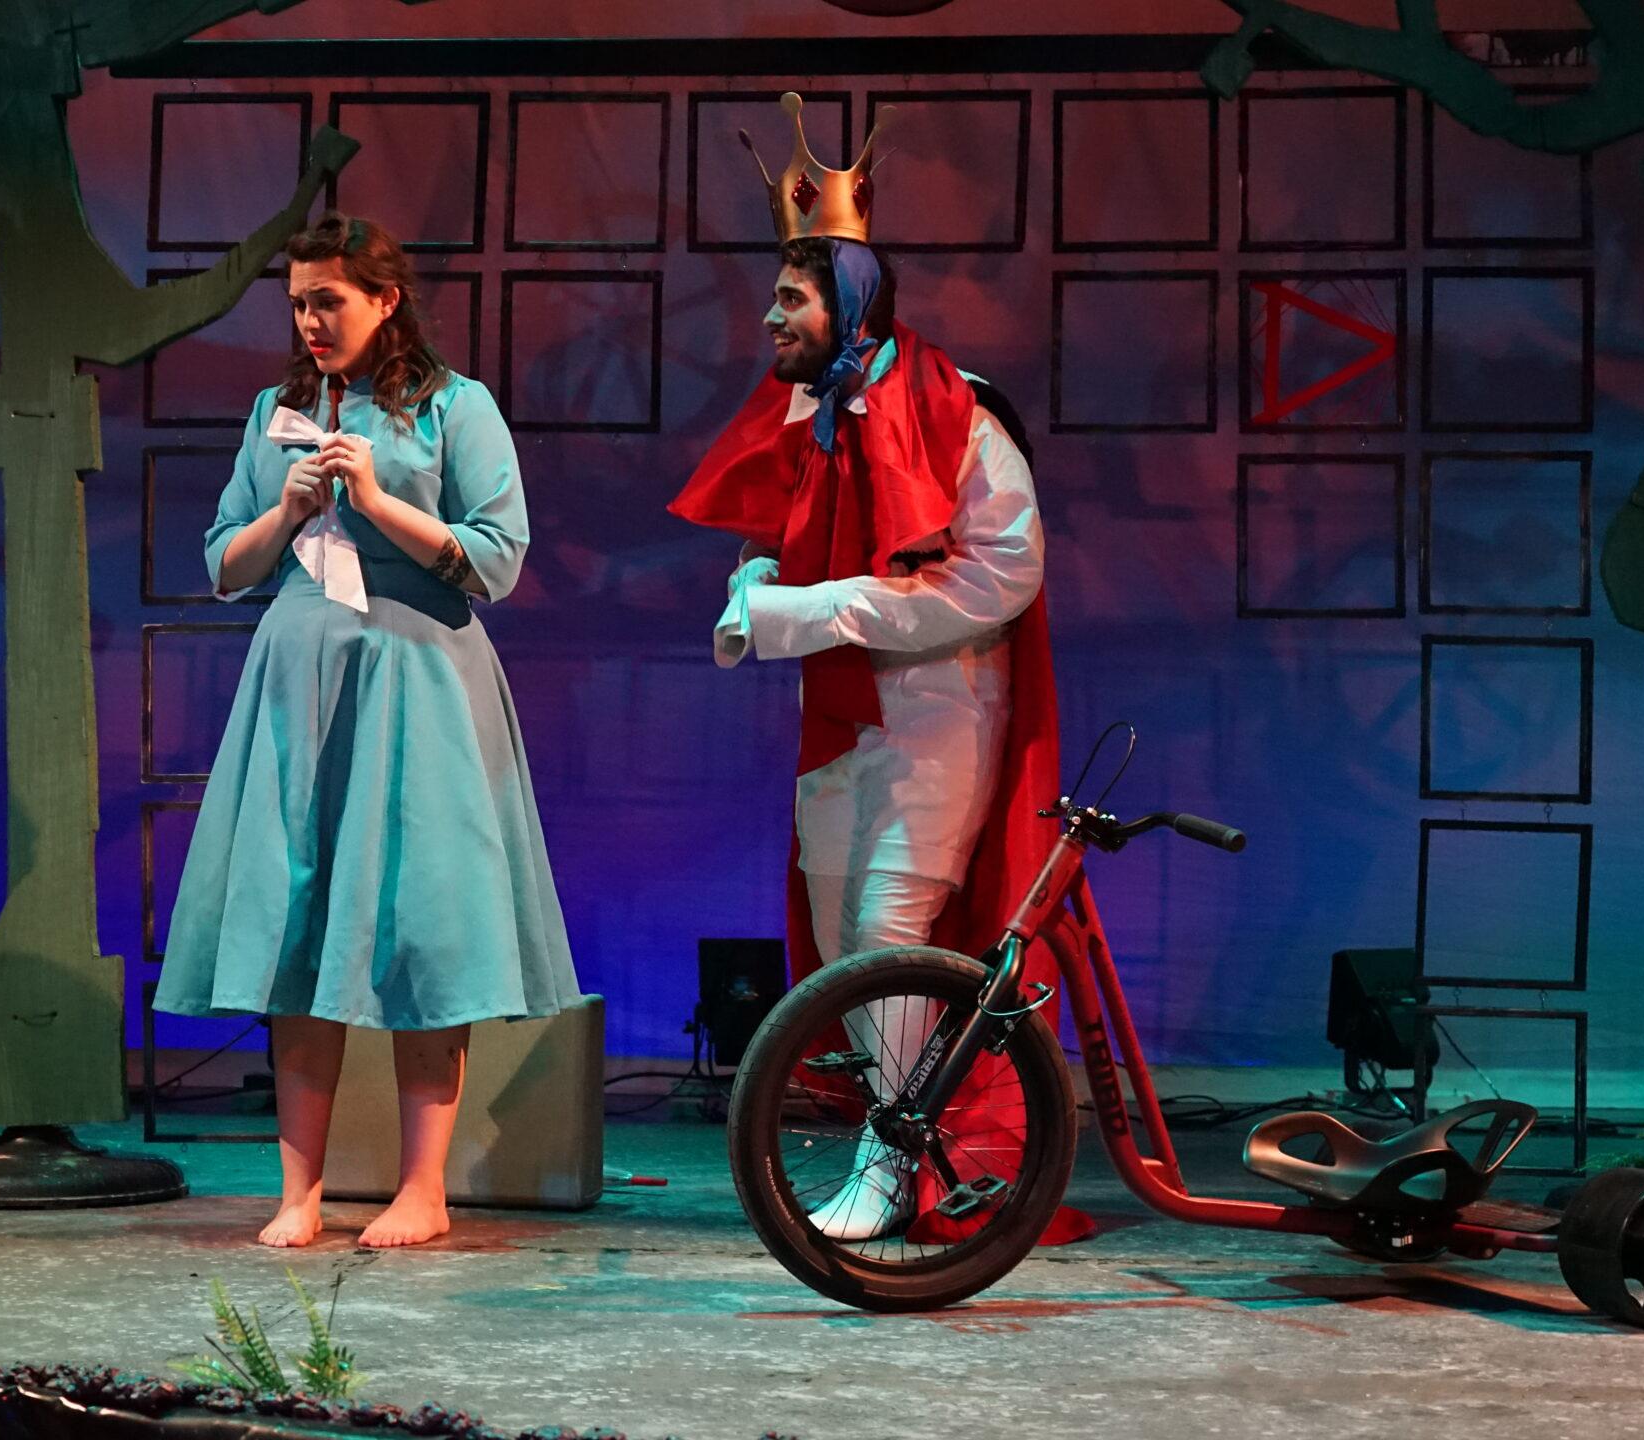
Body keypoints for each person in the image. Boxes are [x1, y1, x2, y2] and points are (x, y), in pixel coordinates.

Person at [670, 97, 1092, 1244]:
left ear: (848, 304)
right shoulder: (806, 416)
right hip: (840, 713)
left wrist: (814, 609)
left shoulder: (958, 413)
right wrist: (754, 595)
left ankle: (889, 1159)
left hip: (940, 707)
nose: (771, 316)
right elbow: (776, 534)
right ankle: (892, 1134)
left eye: (791, 298)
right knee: (836, 935)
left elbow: (1000, 573)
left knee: (890, 923)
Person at [156, 213, 579, 1250]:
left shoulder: (456, 408)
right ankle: (299, 1191)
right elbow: (224, 565)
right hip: (300, 685)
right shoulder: (276, 413)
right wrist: (289, 510)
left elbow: (497, 558)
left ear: (385, 300)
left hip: (418, 677)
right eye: (297, 303)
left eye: (328, 301)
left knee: (421, 926)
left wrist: (378, 503)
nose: (309, 321)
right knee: (297, 926)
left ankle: (423, 1188)